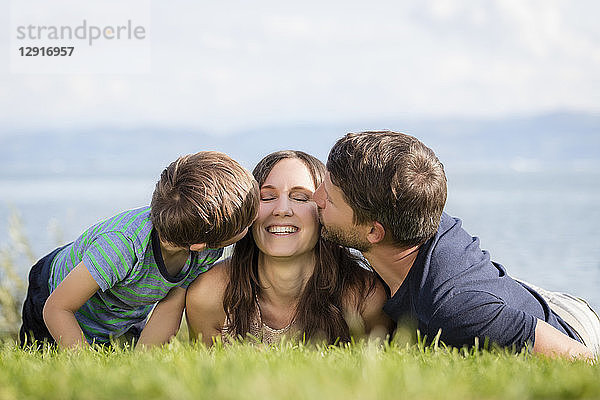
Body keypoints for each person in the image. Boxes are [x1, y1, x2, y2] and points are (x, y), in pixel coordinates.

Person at [313, 131, 600, 360]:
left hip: (571, 325)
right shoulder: (410, 208)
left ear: (374, 231)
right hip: (512, 293)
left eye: (330, 197)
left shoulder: (454, 310)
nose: (316, 197)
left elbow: (581, 360)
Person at [20, 151, 259, 349]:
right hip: (54, 296)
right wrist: (83, 364)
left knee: (124, 358)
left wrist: (143, 362)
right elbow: (57, 308)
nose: (254, 222)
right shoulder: (121, 247)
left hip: (122, 307)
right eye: (247, 224)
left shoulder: (205, 248)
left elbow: (168, 308)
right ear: (199, 245)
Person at [186, 150, 392, 346]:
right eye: (266, 197)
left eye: (300, 198)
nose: (282, 209)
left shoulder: (365, 299)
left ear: (324, 211)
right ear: (248, 211)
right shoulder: (209, 295)